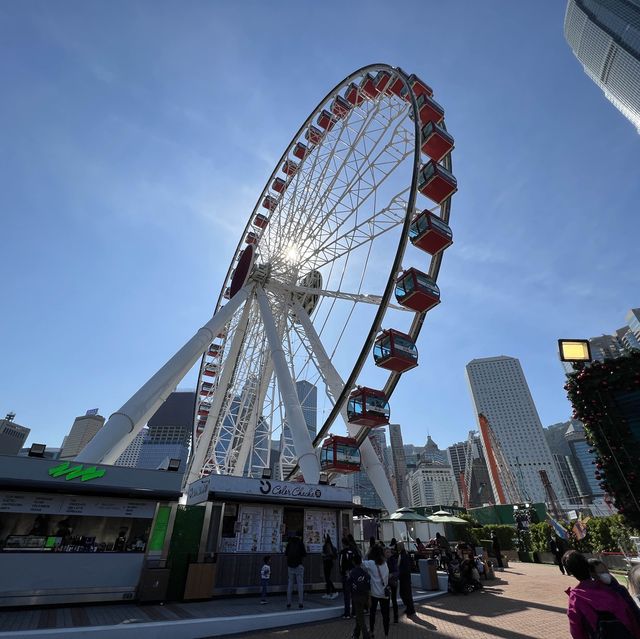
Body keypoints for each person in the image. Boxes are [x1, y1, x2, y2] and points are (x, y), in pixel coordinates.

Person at [563, 550, 640, 639]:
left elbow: (577, 632)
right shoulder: (613, 588)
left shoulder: (576, 598)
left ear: (570, 572)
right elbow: (633, 614)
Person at [589, 558, 640, 625]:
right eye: (601, 572)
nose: (606, 574)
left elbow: (634, 610)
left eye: (606, 571)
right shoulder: (593, 595)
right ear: (593, 575)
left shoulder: (621, 589)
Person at [363, 545, 390, 638]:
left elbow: (361, 563)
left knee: (372, 613)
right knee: (385, 615)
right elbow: (386, 578)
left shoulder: (371, 563)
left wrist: (367, 553)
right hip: (384, 593)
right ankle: (386, 634)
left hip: (374, 593)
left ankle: (372, 632)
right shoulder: (385, 564)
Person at [347, 553, 371, 639]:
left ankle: (366, 635)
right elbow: (368, 585)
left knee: (360, 618)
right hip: (364, 596)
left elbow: (349, 584)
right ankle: (356, 634)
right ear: (361, 562)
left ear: (353, 562)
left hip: (356, 597)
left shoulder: (352, 572)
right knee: (359, 615)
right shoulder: (365, 573)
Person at [285, 531, 307, 609]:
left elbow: (286, 554)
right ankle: (300, 603)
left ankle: (288, 603)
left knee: (290, 583)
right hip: (299, 565)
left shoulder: (289, 543)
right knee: (300, 584)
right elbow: (304, 554)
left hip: (290, 566)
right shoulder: (300, 543)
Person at [339, 534, 359, 618]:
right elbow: (358, 561)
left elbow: (340, 564)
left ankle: (347, 613)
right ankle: (354, 612)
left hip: (346, 575)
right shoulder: (354, 551)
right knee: (354, 594)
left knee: (346, 595)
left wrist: (343, 573)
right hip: (354, 574)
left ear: (343, 543)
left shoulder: (343, 552)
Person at [397, 541, 416, 617]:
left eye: (398, 546)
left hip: (404, 577)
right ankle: (410, 608)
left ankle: (410, 609)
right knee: (406, 593)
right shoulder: (404, 554)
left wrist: (399, 573)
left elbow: (403, 567)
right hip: (405, 577)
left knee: (405, 593)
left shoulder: (403, 555)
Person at [385, 539, 399, 624]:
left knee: (393, 600)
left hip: (392, 582)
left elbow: (397, 571)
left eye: (388, 552)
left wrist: (392, 574)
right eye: (386, 552)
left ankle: (396, 617)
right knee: (386, 600)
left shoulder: (393, 560)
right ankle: (388, 617)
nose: (387, 554)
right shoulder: (383, 561)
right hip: (386, 583)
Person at [322, 534, 338, 599]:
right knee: (327, 578)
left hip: (327, 563)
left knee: (327, 578)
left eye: (324, 538)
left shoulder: (327, 545)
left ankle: (334, 591)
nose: (324, 539)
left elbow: (330, 554)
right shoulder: (328, 545)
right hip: (329, 563)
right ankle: (328, 592)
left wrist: (324, 555)